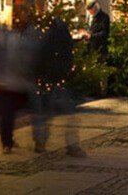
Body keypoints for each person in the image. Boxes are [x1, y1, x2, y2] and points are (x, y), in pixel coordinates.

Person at [0, 4, 42, 154]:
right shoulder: (11, 35)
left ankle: (37, 140)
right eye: (20, 14)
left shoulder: (29, 35)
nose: (22, 17)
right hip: (11, 81)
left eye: (25, 13)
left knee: (32, 112)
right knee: (9, 114)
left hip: (22, 81)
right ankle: (7, 142)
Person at [35, 18, 86, 156]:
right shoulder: (64, 40)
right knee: (68, 114)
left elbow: (40, 59)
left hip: (49, 81)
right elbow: (68, 59)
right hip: (59, 81)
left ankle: (41, 142)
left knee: (47, 114)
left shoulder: (47, 39)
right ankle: (72, 145)